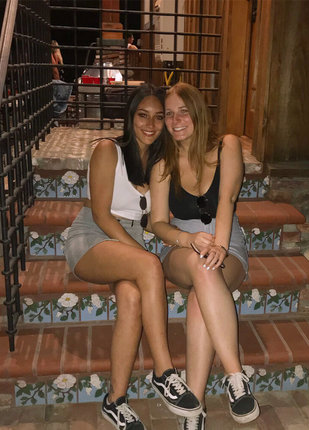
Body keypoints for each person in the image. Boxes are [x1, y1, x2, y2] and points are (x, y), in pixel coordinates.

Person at [64, 83, 201, 430]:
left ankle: (115, 400)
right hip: (93, 237)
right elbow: (101, 215)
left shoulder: (159, 163)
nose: (150, 124)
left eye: (158, 117)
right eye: (143, 115)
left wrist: (185, 238)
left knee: (131, 298)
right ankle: (164, 371)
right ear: (130, 117)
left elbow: (154, 221)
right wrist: (141, 254)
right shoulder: (108, 150)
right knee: (148, 264)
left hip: (130, 241)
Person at [150, 82, 260, 429]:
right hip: (181, 247)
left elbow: (227, 199)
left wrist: (220, 246)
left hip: (228, 240)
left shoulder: (227, 146)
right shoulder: (163, 163)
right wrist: (187, 239)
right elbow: (157, 223)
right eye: (169, 114)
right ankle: (236, 376)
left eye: (183, 111)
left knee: (202, 292)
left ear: (198, 112)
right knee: (201, 267)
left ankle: (193, 410)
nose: (175, 120)